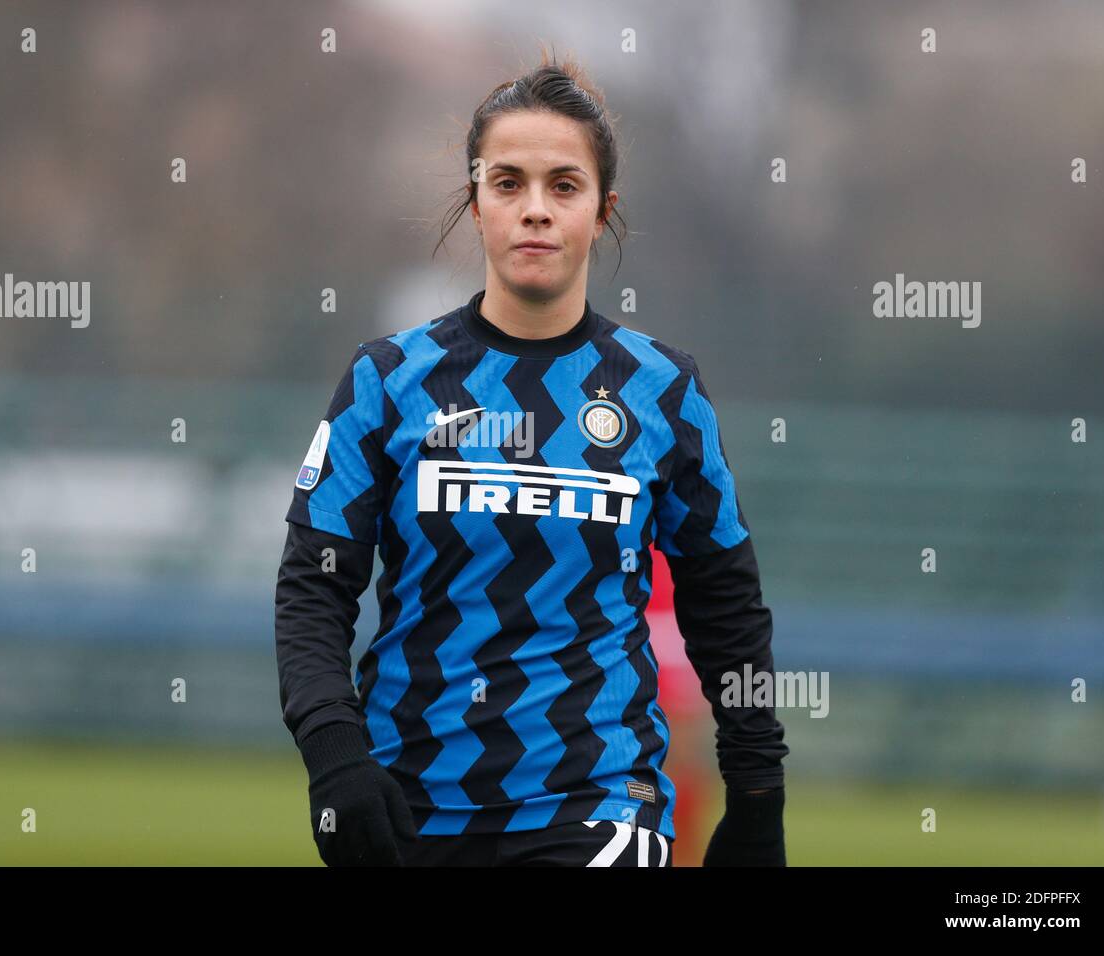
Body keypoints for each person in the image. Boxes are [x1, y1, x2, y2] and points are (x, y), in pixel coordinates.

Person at [274, 50, 788, 867]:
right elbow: (313, 592)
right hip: (409, 807)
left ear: (602, 211)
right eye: (507, 182)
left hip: (599, 802)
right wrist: (336, 758)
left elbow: (726, 604)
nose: (535, 210)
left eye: (563, 185)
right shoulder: (388, 381)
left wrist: (758, 799)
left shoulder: (663, 391)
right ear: (475, 205)